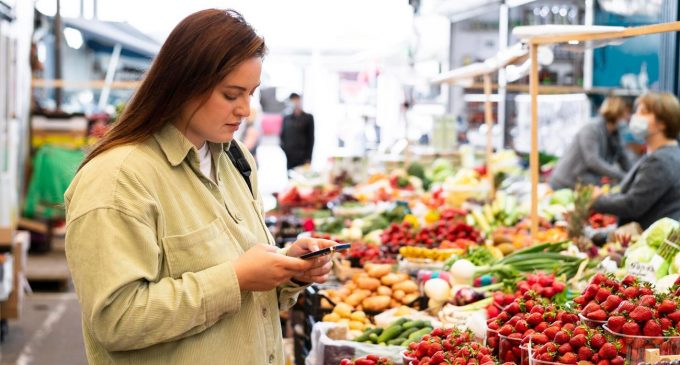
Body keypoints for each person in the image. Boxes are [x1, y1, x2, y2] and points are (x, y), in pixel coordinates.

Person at [64, 10, 335, 365]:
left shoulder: (234, 158)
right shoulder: (117, 180)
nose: (246, 110)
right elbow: (116, 320)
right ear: (183, 84)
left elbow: (243, 273)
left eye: (251, 93)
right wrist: (235, 279)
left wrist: (288, 270)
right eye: (231, 94)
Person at [592, 92, 680, 229]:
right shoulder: (666, 153)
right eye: (636, 111)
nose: (635, 117)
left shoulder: (661, 161)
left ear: (662, 124)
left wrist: (597, 201)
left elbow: (633, 204)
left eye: (643, 112)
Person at [549, 96, 632, 189]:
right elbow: (593, 161)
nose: (629, 118)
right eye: (627, 113)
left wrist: (632, 176)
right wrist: (621, 175)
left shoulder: (614, 135)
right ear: (616, 111)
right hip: (564, 183)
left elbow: (623, 158)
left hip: (583, 185)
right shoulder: (591, 129)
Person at [280, 93, 315, 170]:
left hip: (303, 157)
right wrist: (285, 150)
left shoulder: (308, 117)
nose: (295, 102)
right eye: (293, 100)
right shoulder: (286, 118)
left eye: (297, 100)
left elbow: (311, 139)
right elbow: (282, 135)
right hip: (290, 157)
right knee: (290, 178)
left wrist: (308, 158)